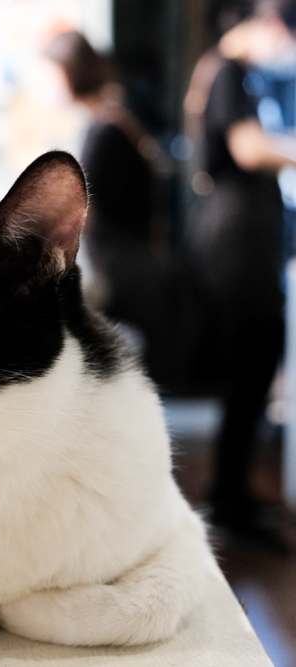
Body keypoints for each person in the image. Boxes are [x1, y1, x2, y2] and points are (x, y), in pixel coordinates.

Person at [43, 31, 206, 393]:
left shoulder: (104, 129)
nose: (46, 87)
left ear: (70, 73)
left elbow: (86, 212)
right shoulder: (113, 120)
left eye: (50, 75)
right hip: (134, 262)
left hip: (124, 269)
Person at [189, 0, 296, 547]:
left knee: (255, 366)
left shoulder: (234, 74)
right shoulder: (228, 71)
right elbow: (248, 148)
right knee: (251, 364)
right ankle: (227, 502)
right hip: (236, 241)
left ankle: (236, 495)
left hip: (242, 239)